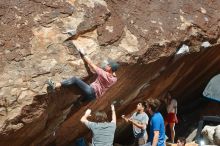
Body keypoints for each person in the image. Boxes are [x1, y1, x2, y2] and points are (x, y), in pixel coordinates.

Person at [47, 48, 119, 102]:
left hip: (91, 91)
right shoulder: (114, 79)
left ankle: (56, 85)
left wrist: (84, 54)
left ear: (110, 68)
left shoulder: (103, 73)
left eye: (108, 65)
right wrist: (113, 70)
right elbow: (113, 73)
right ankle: (80, 101)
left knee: (74, 79)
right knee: (81, 97)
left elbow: (91, 64)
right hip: (94, 97)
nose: (106, 65)